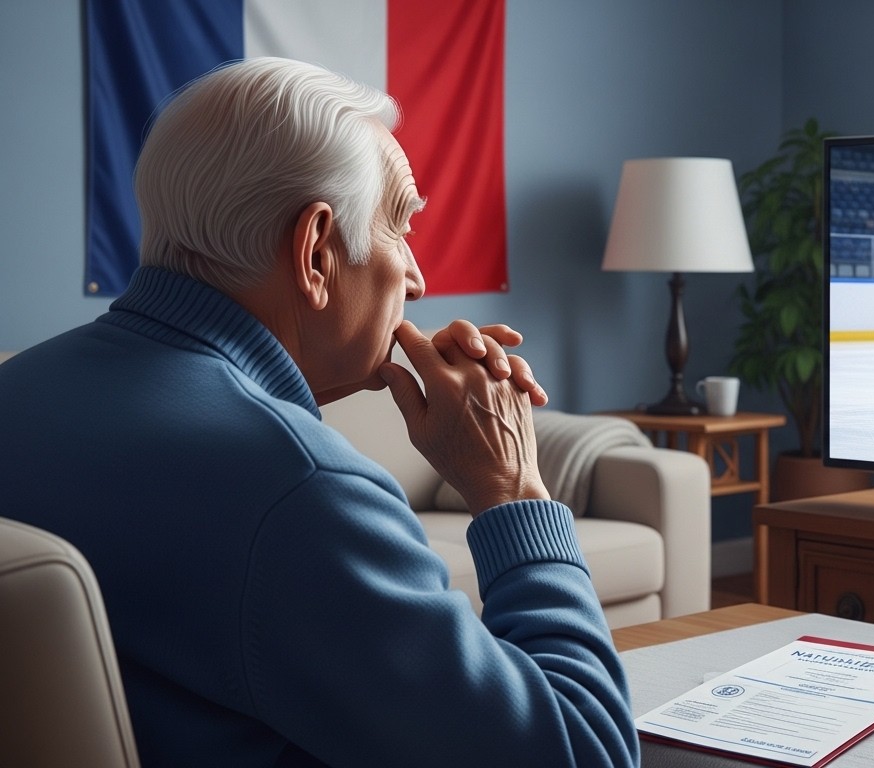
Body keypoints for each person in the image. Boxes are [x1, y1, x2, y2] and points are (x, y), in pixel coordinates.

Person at [0, 58, 638, 767]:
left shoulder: (18, 390)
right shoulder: (296, 489)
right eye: (401, 225)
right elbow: (588, 753)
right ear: (315, 252)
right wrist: (512, 490)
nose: (417, 279)